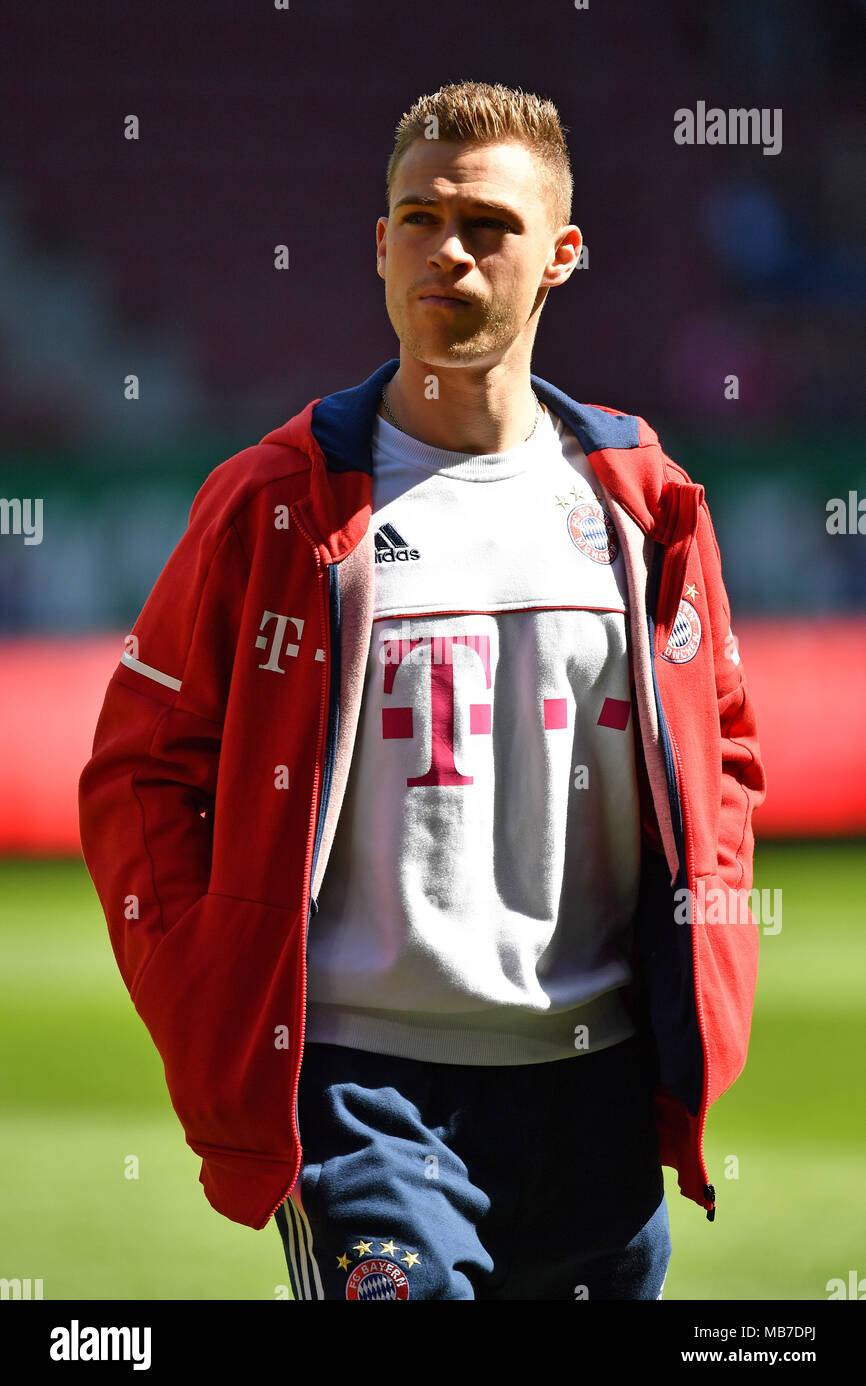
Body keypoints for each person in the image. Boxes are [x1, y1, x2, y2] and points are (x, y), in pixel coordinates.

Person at [78, 80, 766, 1301]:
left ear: (560, 255)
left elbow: (721, 757)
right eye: (416, 218)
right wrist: (204, 991)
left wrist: (709, 953)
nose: (445, 249)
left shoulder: (645, 505)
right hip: (361, 1091)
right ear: (377, 246)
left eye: (487, 226)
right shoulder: (273, 502)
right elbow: (139, 771)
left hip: (592, 1087)